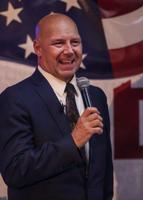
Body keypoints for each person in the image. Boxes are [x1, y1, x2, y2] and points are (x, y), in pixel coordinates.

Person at [0, 13, 113, 200]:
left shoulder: (96, 96)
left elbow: (104, 173)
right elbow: (15, 170)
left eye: (75, 42)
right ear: (38, 48)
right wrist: (73, 141)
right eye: (58, 43)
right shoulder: (15, 98)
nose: (69, 50)